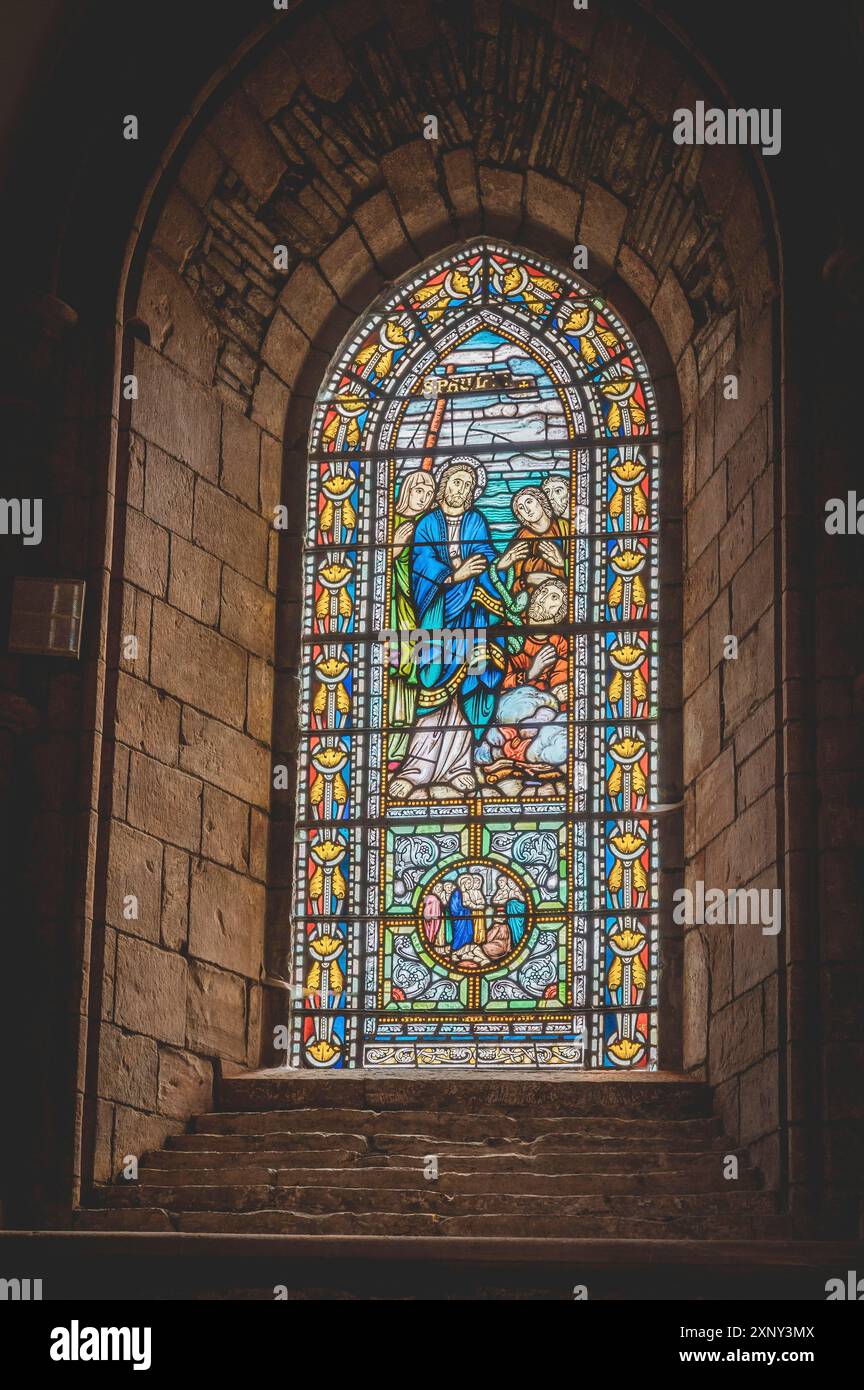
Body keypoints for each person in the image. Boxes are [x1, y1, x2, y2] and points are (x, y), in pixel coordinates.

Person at [389, 457, 524, 798]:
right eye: (455, 482)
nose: (460, 490)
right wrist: (454, 576)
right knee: (431, 690)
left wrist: (499, 565)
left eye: (467, 486)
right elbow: (422, 567)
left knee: (466, 691)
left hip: (471, 620)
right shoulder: (427, 524)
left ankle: (459, 766)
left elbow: (485, 560)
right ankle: (417, 767)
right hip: (434, 620)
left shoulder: (476, 520)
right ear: (444, 485)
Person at [388, 470, 435, 761]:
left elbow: (421, 573)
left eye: (429, 494)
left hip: (410, 611)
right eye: (419, 490)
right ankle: (388, 745)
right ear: (406, 490)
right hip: (390, 610)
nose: (424, 498)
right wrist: (391, 548)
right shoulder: (387, 523)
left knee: (408, 674)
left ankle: (400, 749)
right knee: (394, 669)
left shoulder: (421, 529)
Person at [507, 486, 566, 597]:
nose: (527, 510)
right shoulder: (520, 539)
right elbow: (511, 584)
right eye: (521, 508)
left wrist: (562, 563)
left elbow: (582, 566)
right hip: (529, 603)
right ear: (520, 515)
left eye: (529, 502)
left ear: (541, 500)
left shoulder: (564, 528)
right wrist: (526, 580)